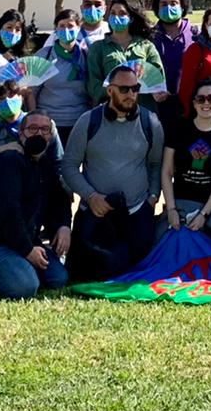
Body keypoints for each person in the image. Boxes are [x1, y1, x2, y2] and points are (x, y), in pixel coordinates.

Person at [62, 64, 164, 281]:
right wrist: (90, 196)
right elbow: (69, 166)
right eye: (124, 89)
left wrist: (153, 197)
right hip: (95, 213)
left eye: (135, 89)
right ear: (110, 90)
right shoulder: (88, 121)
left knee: (136, 274)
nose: (130, 94)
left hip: (137, 212)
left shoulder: (151, 122)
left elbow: (156, 164)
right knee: (89, 274)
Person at [0, 110, 72, 299]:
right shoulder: (8, 160)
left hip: (21, 240)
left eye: (45, 129)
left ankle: (11, 269)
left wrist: (63, 225)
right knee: (25, 287)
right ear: (21, 133)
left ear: (51, 135)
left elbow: (59, 200)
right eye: (32, 128)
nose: (39, 134)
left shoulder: (45, 164)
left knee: (58, 278)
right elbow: (9, 211)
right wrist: (27, 250)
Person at [160, 78, 211, 233]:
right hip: (179, 204)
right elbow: (167, 172)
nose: (206, 103)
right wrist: (171, 208)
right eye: (200, 99)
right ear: (194, 103)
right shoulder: (178, 129)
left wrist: (204, 214)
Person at [85, 0, 164, 107]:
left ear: (131, 18)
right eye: (113, 13)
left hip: (144, 111)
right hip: (112, 111)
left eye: (122, 13)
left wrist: (157, 92)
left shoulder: (146, 46)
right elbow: (94, 86)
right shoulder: (98, 48)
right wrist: (119, 90)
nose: (116, 17)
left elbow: (157, 80)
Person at [34, 8, 93, 145]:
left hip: (79, 122)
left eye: (71, 26)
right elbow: (32, 91)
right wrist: (34, 120)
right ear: (55, 29)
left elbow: (93, 90)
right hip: (48, 122)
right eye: (62, 26)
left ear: (79, 28)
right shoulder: (44, 55)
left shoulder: (87, 56)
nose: (66, 30)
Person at [149, 0, 197, 102]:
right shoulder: (149, 37)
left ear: (182, 7)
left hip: (191, 104)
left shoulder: (196, 35)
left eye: (173, 3)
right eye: (163, 4)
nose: (168, 8)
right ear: (157, 9)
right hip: (157, 104)